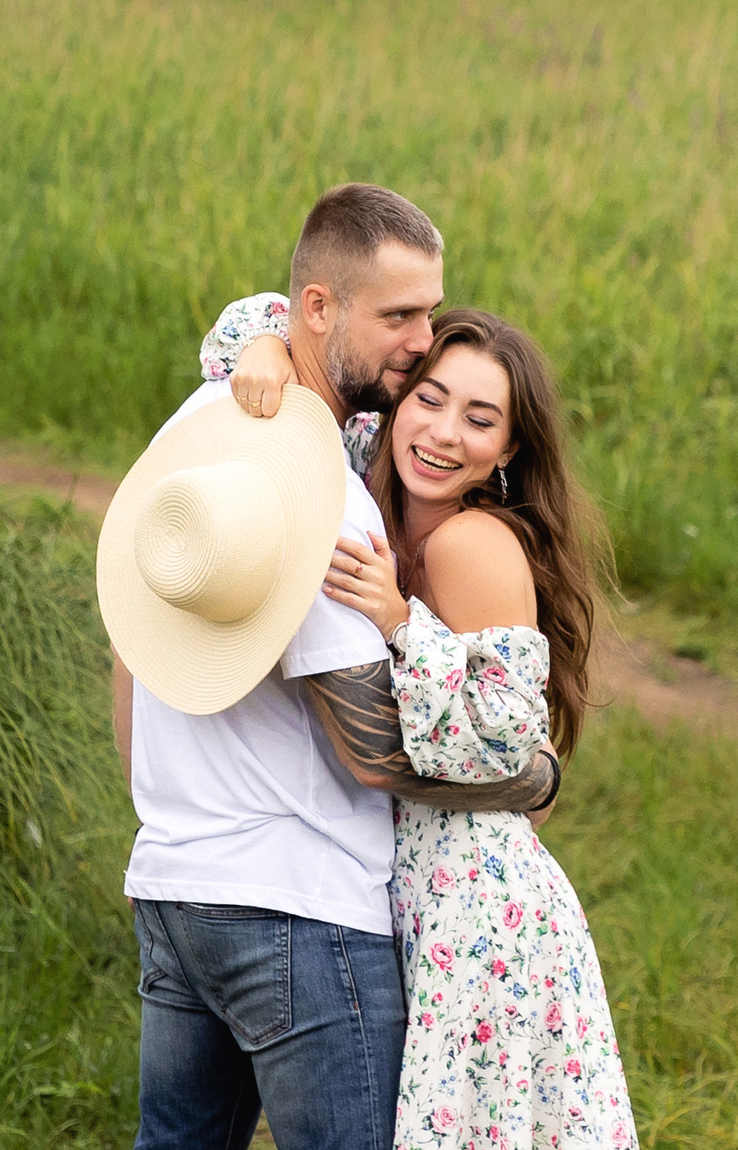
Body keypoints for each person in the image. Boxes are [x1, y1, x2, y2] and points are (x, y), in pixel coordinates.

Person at [107, 184, 562, 1150]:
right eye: (399, 316)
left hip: (173, 883)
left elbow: (129, 649)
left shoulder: (193, 430)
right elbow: (366, 747)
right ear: (318, 309)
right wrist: (528, 776)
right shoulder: (323, 499)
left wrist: (172, 812)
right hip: (298, 913)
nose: (420, 338)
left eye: (429, 311)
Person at [219, 305, 637, 1147]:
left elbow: (508, 745)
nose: (444, 434)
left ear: (509, 451)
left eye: (481, 420)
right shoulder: (369, 477)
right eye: (430, 400)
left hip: (474, 908)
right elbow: (271, 321)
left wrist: (404, 622)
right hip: (410, 887)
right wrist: (266, 345)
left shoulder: (468, 543)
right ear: (396, 403)